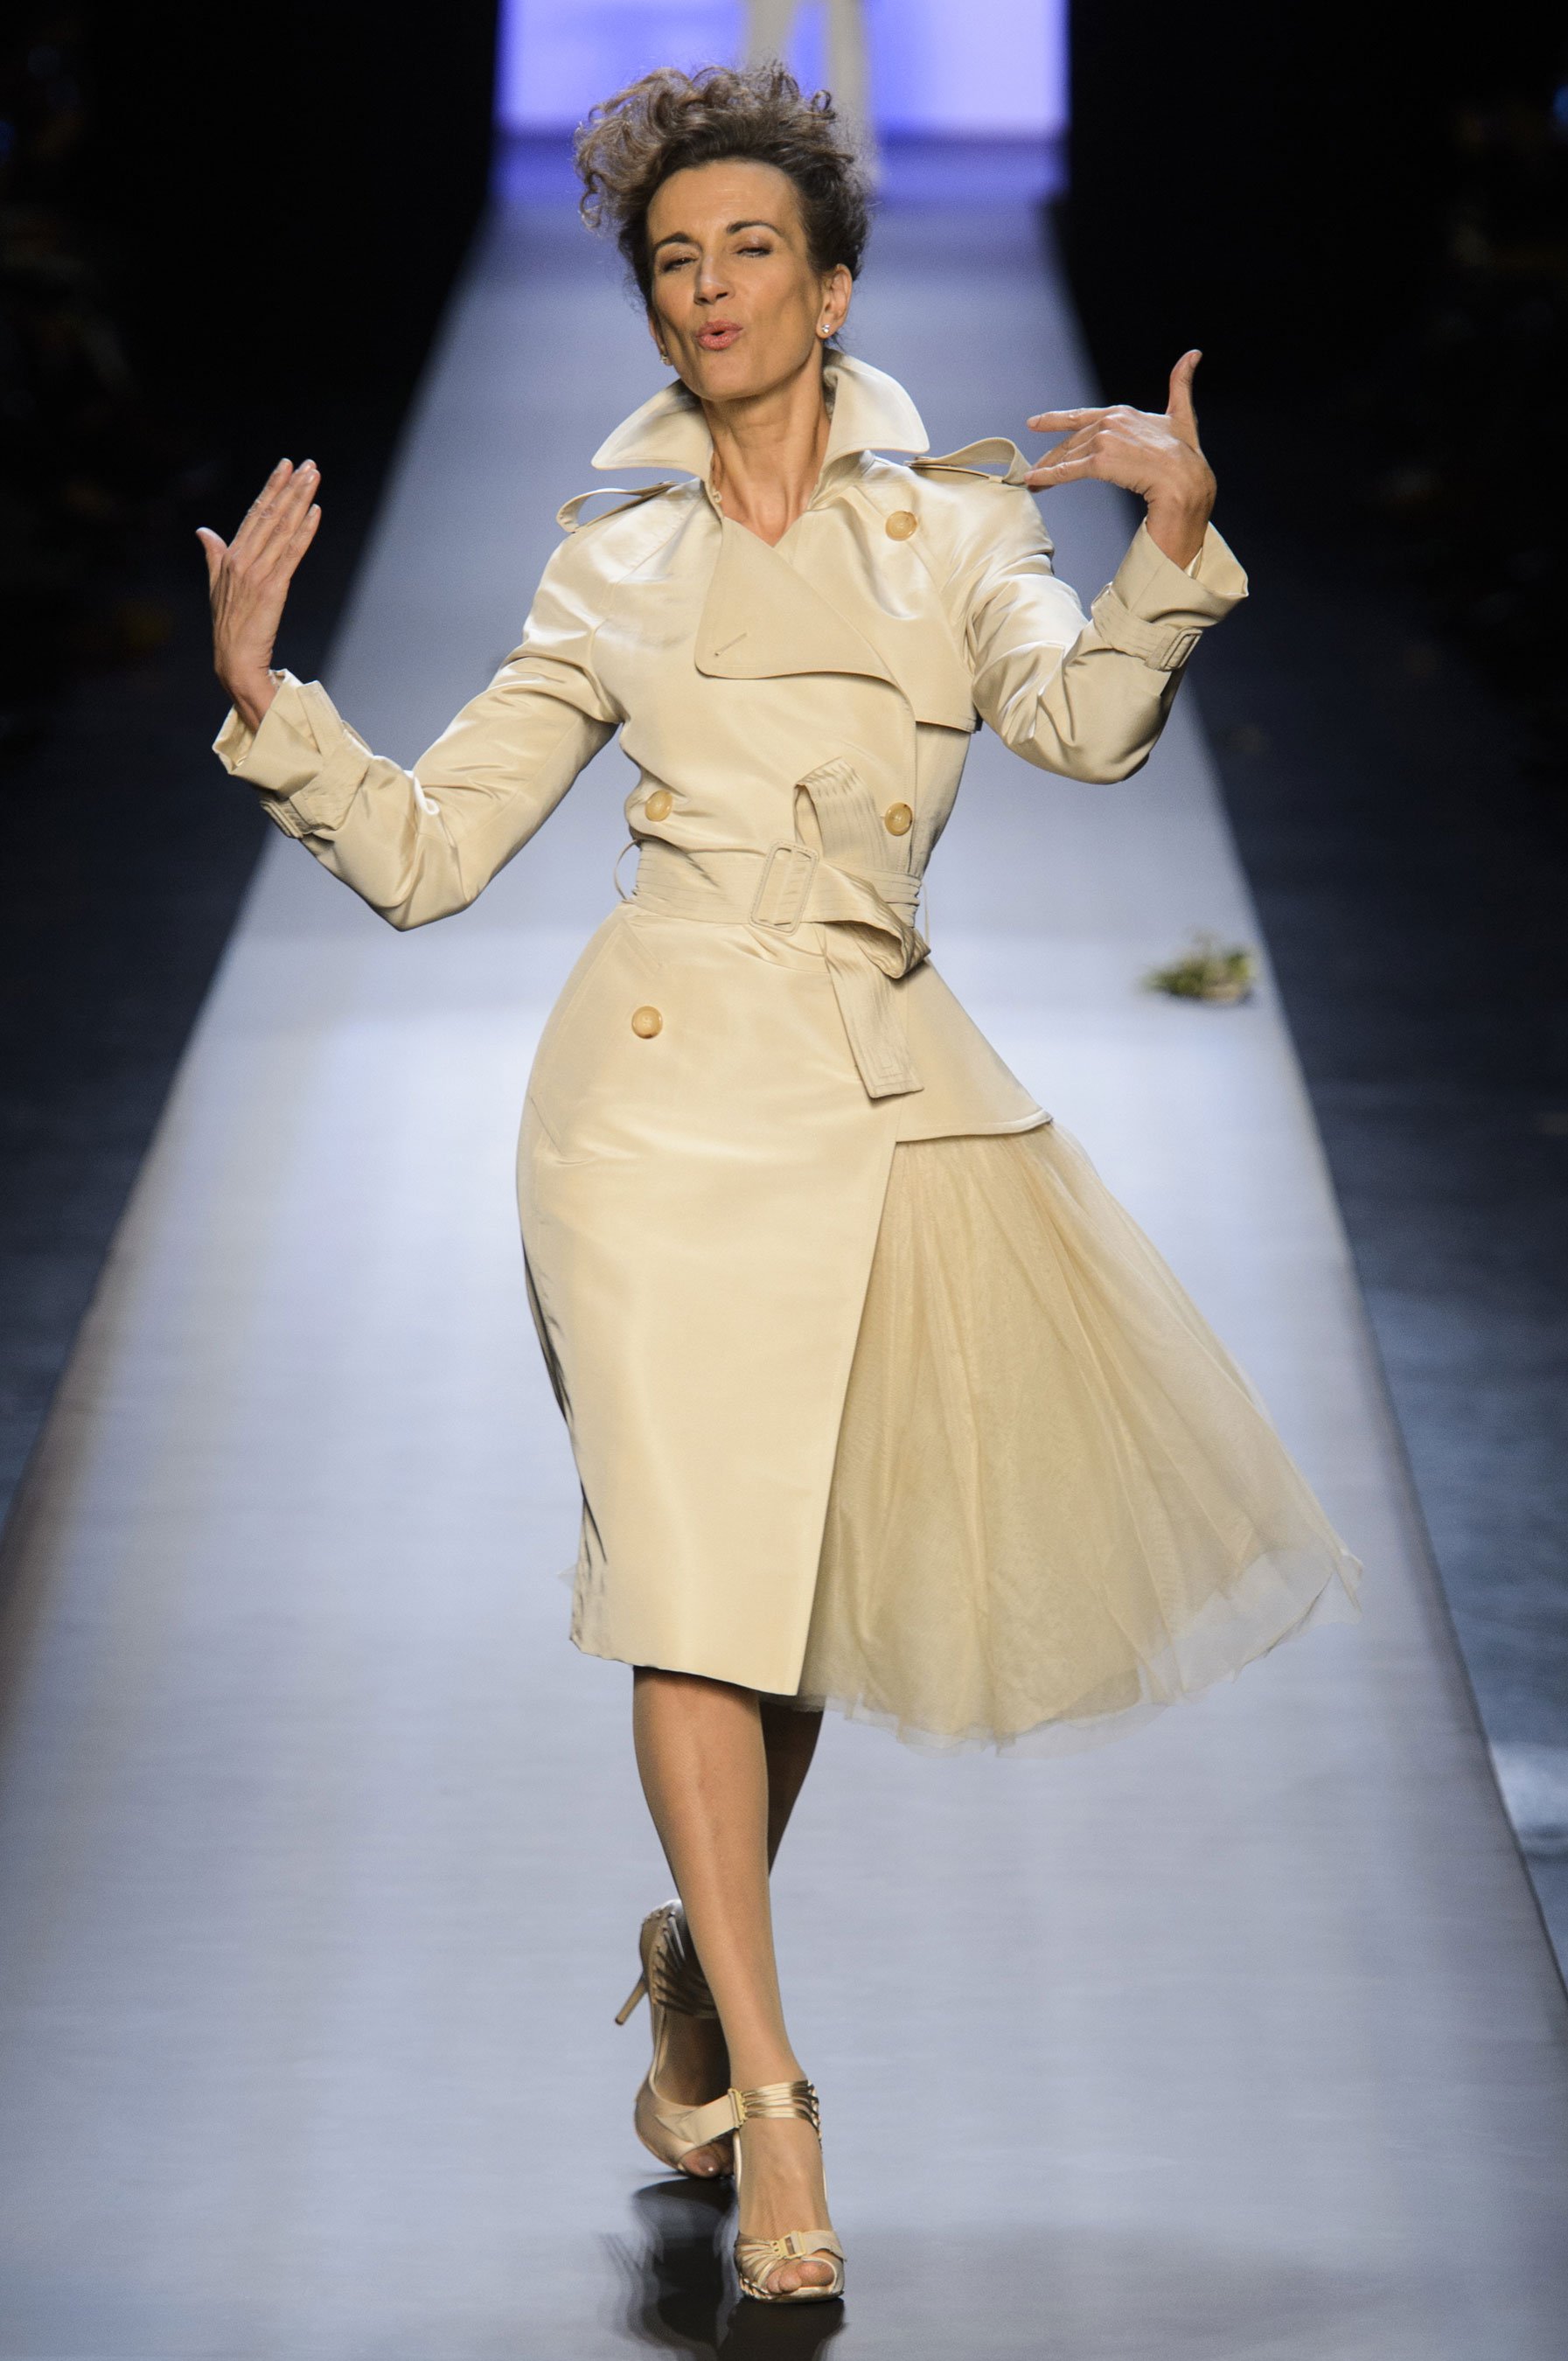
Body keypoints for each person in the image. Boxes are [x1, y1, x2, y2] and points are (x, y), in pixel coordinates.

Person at [199, 63, 1361, 2307]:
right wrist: (274, 704)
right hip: (642, 1117)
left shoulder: (960, 532)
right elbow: (431, 855)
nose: (710, 287)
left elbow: (1084, 730)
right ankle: (779, 2107)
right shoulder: (610, 562)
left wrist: (1171, 545)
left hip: (871, 1084)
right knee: (692, 1590)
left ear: (832, 291)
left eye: (752, 250)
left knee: (791, 1604)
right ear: (652, 306)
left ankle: (695, 1974)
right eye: (675, 258)